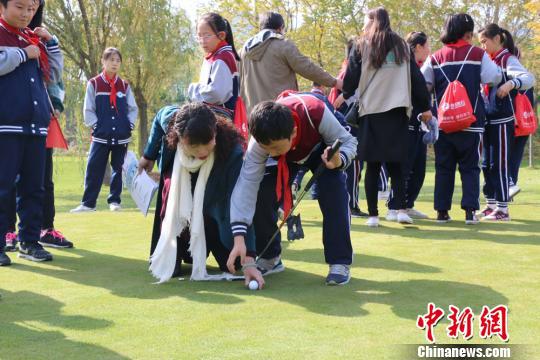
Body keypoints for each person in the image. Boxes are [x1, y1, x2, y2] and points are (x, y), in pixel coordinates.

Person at [228, 92, 358, 286]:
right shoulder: (261, 142)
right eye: (267, 149)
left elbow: (349, 142)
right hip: (288, 156)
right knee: (262, 191)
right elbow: (246, 187)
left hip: (323, 147)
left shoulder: (317, 112)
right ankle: (270, 258)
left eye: (275, 148)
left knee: (334, 192)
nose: (270, 153)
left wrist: (339, 160)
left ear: (294, 132)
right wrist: (239, 239)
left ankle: (339, 262)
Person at [336, 7, 432, 228]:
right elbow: (416, 79)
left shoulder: (361, 45)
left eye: (365, 22)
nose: (363, 27)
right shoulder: (402, 46)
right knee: (397, 164)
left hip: (371, 111)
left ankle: (373, 216)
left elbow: (351, 77)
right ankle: (399, 210)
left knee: (373, 165)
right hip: (398, 111)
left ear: (373, 21)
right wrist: (424, 106)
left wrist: (345, 94)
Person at [147, 103, 262, 287]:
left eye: (207, 144)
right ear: (180, 138)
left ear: (215, 133)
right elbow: (160, 114)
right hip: (179, 212)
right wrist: (148, 155)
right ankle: (178, 251)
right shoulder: (172, 121)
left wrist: (249, 258)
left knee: (233, 262)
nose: (201, 152)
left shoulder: (232, 152)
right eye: (193, 146)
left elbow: (241, 201)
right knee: (171, 269)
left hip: (214, 210)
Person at [4, 0, 72, 252]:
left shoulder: (36, 37)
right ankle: (4, 238)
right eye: (21, 7)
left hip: (38, 124)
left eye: (32, 8)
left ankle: (35, 236)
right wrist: (22, 54)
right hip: (7, 125)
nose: (27, 13)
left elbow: (53, 77)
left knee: (38, 184)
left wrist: (50, 44)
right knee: (5, 184)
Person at [421, 13, 502, 224]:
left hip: (443, 123)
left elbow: (422, 83)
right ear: (467, 33)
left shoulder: (435, 57)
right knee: (470, 167)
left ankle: (442, 212)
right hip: (471, 122)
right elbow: (493, 76)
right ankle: (469, 212)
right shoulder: (477, 54)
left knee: (443, 168)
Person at [478, 24, 535, 221]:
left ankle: (503, 209)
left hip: (502, 120)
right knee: (486, 165)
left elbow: (528, 78)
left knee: (499, 165)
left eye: (484, 41)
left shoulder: (506, 59)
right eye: (480, 43)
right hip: (487, 120)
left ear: (497, 39)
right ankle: (490, 205)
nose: (482, 46)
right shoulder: (488, 60)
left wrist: (511, 83)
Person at [70, 47, 138, 213]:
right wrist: (96, 126)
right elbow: (88, 109)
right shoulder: (94, 84)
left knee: (117, 168)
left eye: (117, 60)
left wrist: (128, 126)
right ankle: (88, 203)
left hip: (121, 136)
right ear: (103, 61)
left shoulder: (124, 85)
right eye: (111, 60)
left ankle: (115, 201)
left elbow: (133, 108)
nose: (114, 63)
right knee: (94, 168)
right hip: (101, 136)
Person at [239, 11, 342, 114]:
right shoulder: (282, 45)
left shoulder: (243, 50)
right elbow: (307, 68)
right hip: (280, 113)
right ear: (280, 28)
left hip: (252, 116)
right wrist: (334, 82)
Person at [386, 31, 432, 221]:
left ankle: (407, 204)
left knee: (418, 167)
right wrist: (426, 108)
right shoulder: (402, 63)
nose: (429, 50)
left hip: (417, 122)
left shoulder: (417, 65)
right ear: (418, 47)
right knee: (403, 167)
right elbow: (418, 88)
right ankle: (394, 207)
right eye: (428, 45)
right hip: (403, 121)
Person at [188, 12, 240, 114]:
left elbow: (217, 94)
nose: (202, 40)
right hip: (215, 116)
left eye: (207, 35)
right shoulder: (214, 55)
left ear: (221, 35)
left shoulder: (222, 58)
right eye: (199, 36)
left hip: (222, 118)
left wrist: (193, 89)